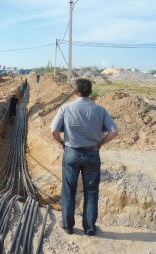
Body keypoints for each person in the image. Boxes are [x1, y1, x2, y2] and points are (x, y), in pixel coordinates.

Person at [50, 78, 118, 236]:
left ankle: (67, 226)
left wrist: (61, 142)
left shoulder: (65, 108)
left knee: (68, 190)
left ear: (75, 91)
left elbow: (53, 131)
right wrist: (100, 143)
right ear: (91, 92)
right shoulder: (100, 110)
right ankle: (90, 228)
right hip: (92, 153)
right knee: (91, 192)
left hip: (71, 152)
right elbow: (114, 132)